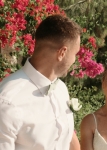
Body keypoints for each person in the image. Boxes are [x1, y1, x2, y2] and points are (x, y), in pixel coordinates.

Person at [0, 14, 82, 150]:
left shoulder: (61, 89)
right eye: (75, 54)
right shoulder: (8, 102)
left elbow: (68, 139)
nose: (75, 60)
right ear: (62, 53)